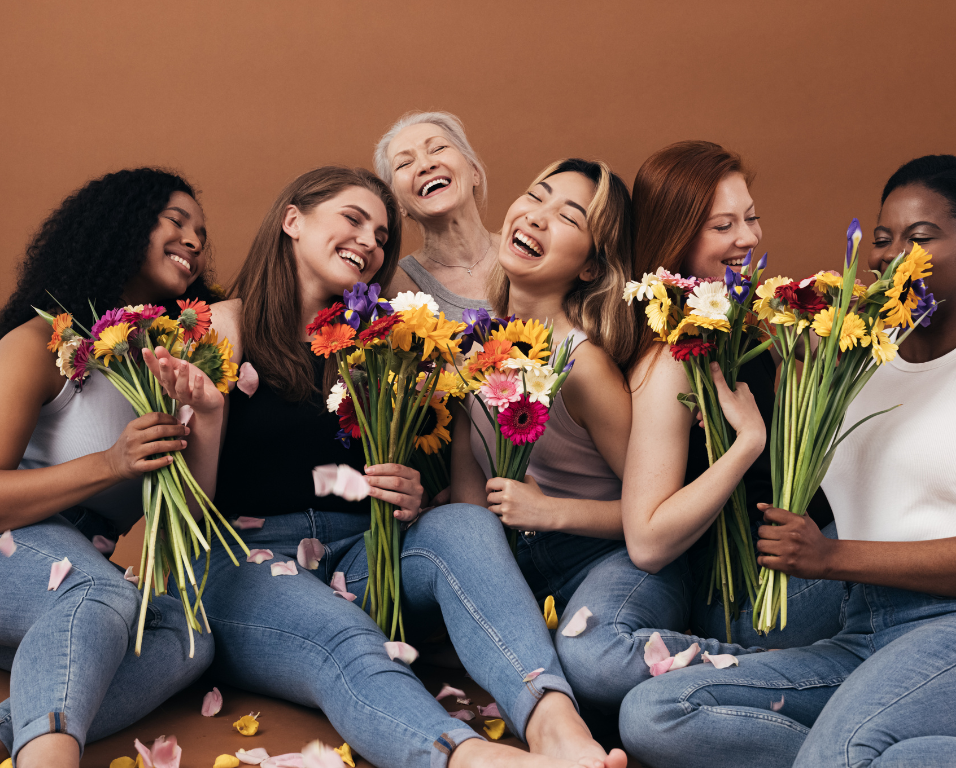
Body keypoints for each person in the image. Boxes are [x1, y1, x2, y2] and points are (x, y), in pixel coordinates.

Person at [145, 165, 627, 768]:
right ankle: (474, 759)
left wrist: (403, 492)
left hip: (357, 555)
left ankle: (554, 721)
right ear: (292, 220)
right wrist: (209, 417)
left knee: (465, 526)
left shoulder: (382, 346)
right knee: (348, 638)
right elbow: (185, 516)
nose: (369, 243)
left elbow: (325, 477)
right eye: (353, 220)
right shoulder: (220, 328)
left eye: (380, 236)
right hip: (237, 567)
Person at [618, 154, 956, 768]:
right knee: (655, 713)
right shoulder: (847, 367)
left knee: (843, 755)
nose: (892, 256)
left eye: (920, 238)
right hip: (862, 629)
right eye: (883, 239)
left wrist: (829, 557)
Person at [556, 142, 844, 714]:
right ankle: (785, 673)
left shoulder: (749, 320)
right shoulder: (672, 359)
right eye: (723, 225)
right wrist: (748, 444)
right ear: (678, 239)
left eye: (751, 217)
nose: (749, 238)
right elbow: (647, 540)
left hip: (809, 557)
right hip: (760, 597)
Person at [0, 169, 217, 768]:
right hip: (16, 552)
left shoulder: (166, 365)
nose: (195, 241)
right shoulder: (40, 341)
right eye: (176, 222)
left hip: (81, 577)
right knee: (99, 591)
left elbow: (187, 510)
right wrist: (110, 463)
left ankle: (16, 729)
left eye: (201, 231)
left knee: (188, 636)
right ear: (119, 227)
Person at [450, 157, 634, 620]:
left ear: (592, 266)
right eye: (535, 196)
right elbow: (470, 512)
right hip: (524, 565)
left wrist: (549, 511)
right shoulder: (473, 353)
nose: (536, 216)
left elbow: (659, 513)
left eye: (569, 217)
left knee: (592, 656)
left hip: (606, 560)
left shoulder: (583, 365)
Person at [374, 111, 497, 317]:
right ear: (398, 205)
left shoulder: (527, 252)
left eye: (438, 148)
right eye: (404, 163)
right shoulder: (392, 290)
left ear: (474, 171)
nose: (425, 165)